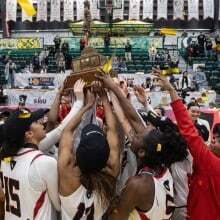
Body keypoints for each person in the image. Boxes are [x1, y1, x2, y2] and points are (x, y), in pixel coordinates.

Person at [96, 73, 188, 220]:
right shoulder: (161, 164)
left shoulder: (138, 185)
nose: (134, 134)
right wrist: (114, 88)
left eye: (137, 136)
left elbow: (116, 218)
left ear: (141, 152)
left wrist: (109, 204)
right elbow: (133, 118)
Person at [58, 80, 121, 219]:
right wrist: (104, 97)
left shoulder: (67, 174)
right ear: (106, 156)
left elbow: (67, 131)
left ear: (79, 152)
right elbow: (112, 130)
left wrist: (87, 105)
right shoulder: (110, 175)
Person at [0, 108, 60, 219]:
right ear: (29, 134)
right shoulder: (44, 162)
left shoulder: (4, 160)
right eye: (36, 122)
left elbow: (3, 196)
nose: (42, 123)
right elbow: (58, 205)